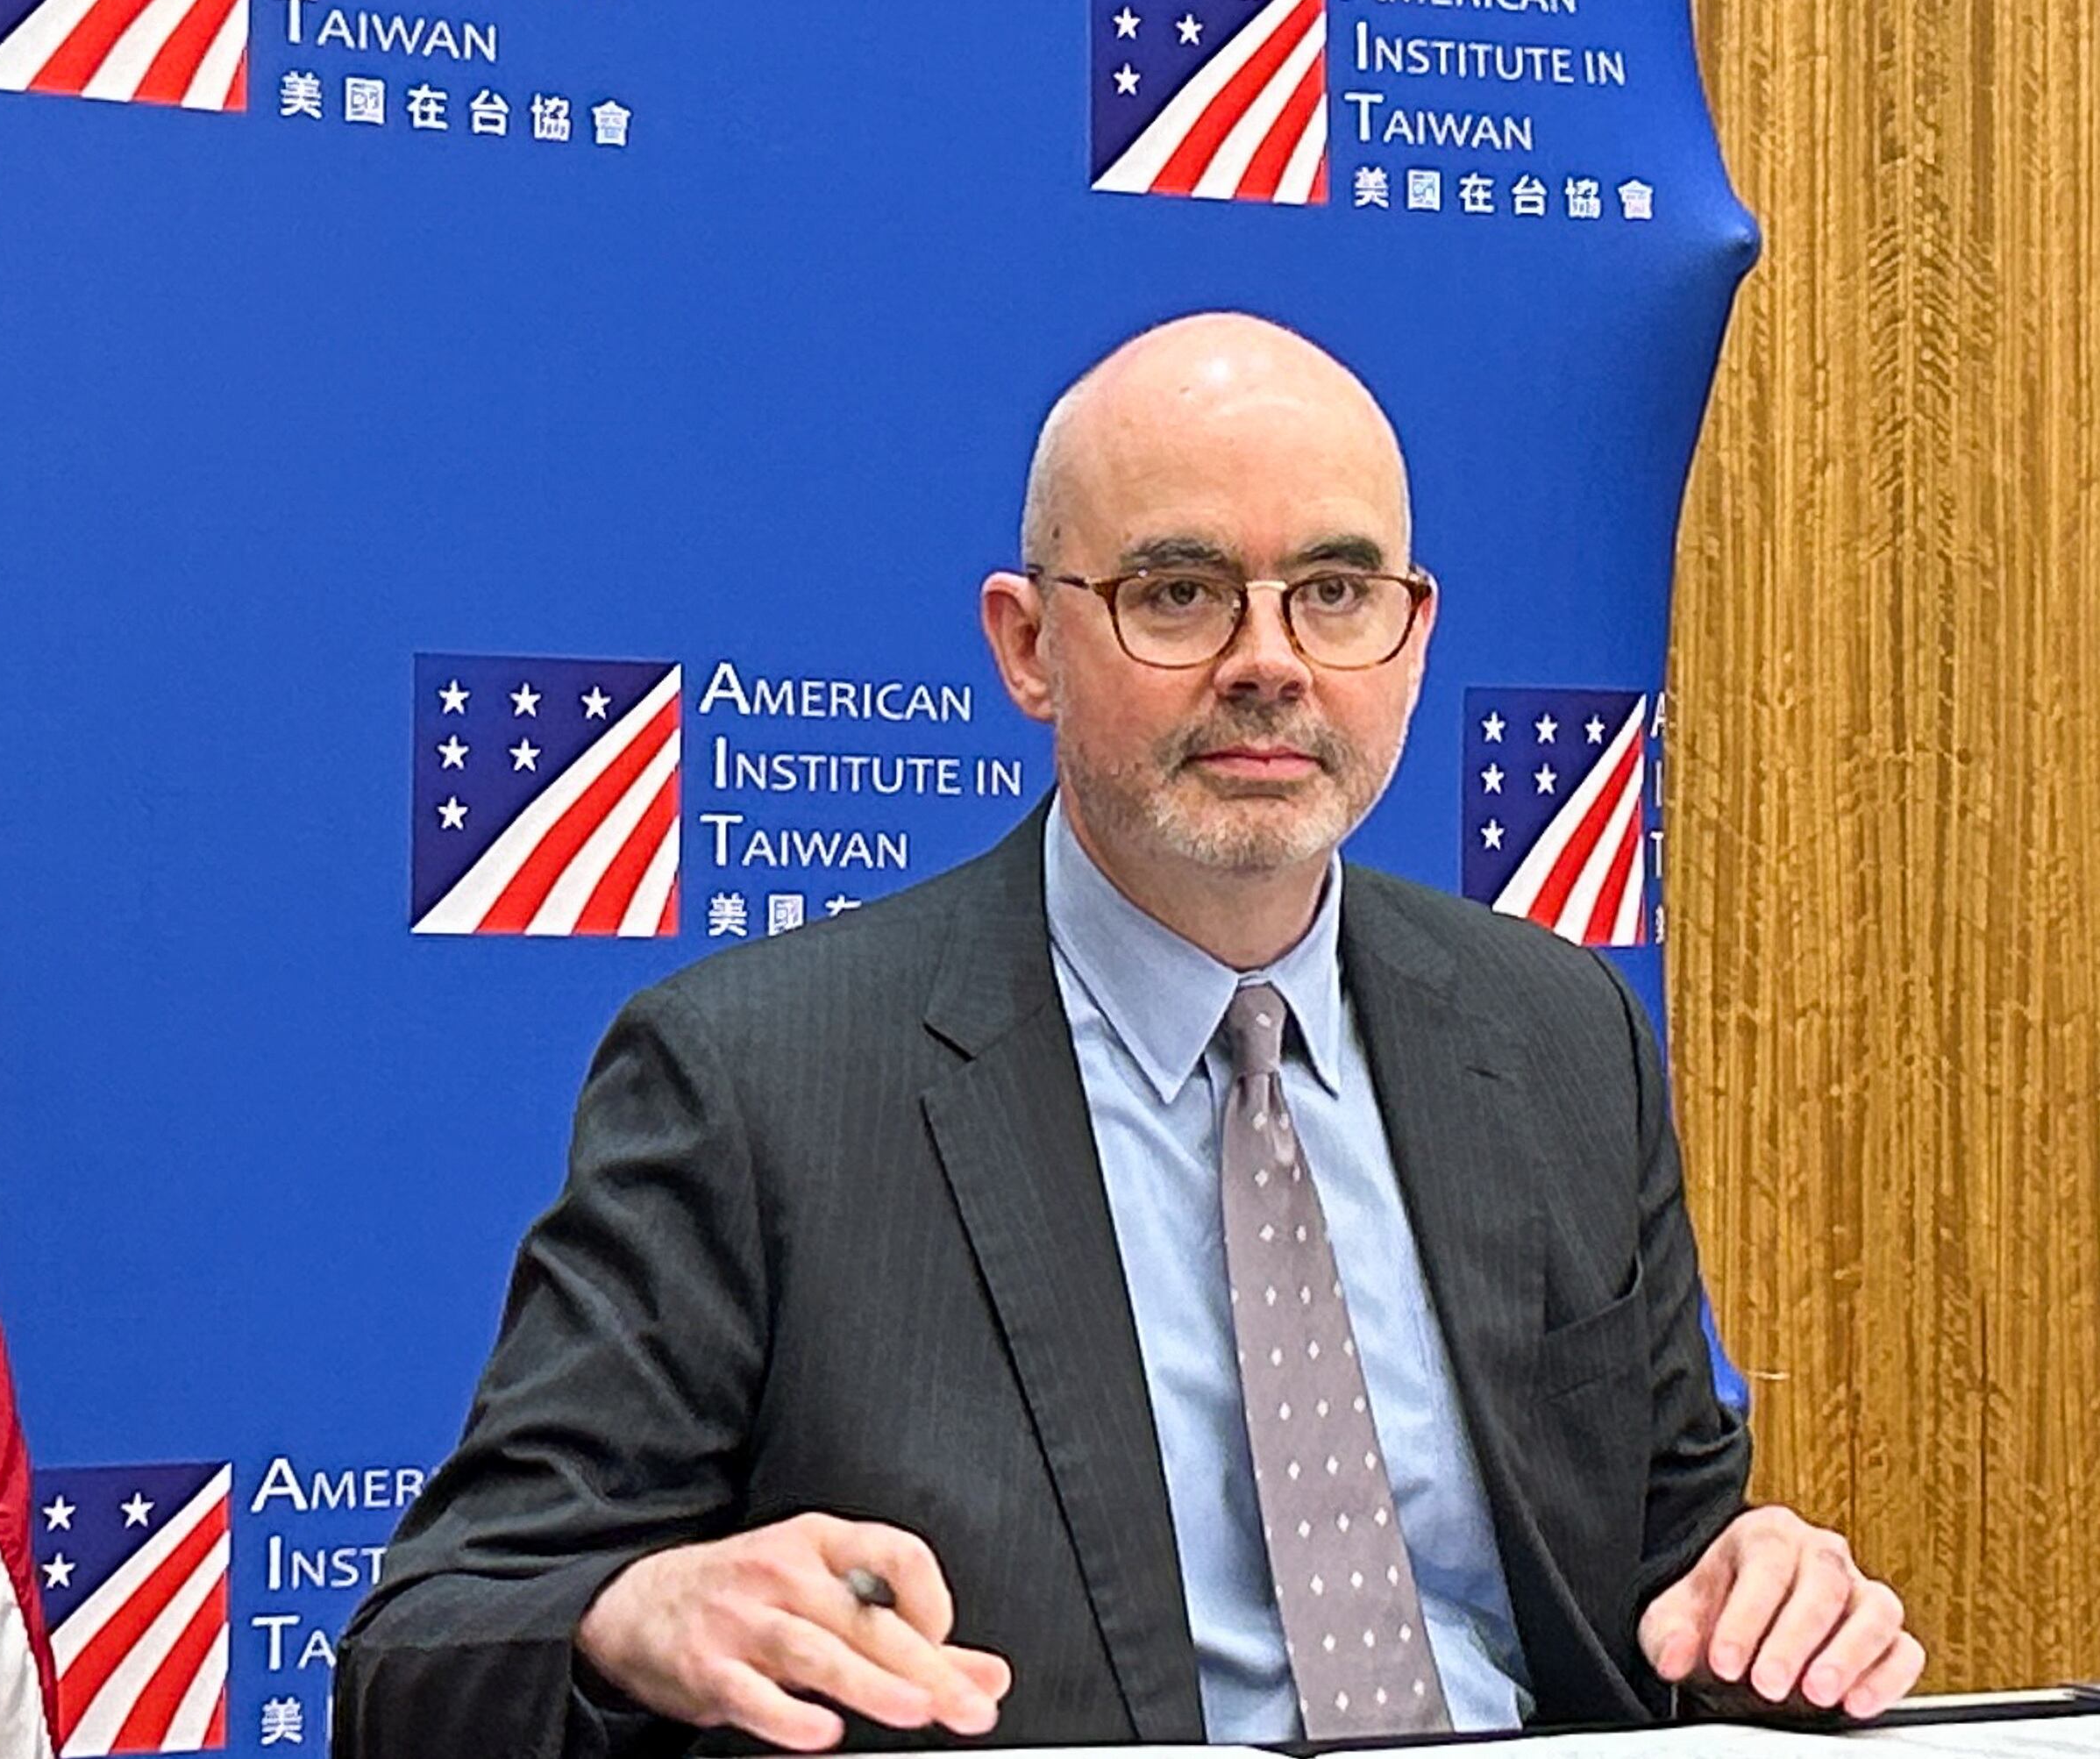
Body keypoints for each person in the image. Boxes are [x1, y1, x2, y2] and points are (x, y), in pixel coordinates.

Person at [336, 312, 1918, 1754]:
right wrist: (633, 1618)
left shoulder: (1559, 1029)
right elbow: (425, 1648)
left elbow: (1670, 1558)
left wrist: (1758, 1592)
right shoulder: (758, 1079)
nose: (1270, 662)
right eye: (1179, 592)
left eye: (1337, 591)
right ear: (1027, 644)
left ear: (1414, 635)